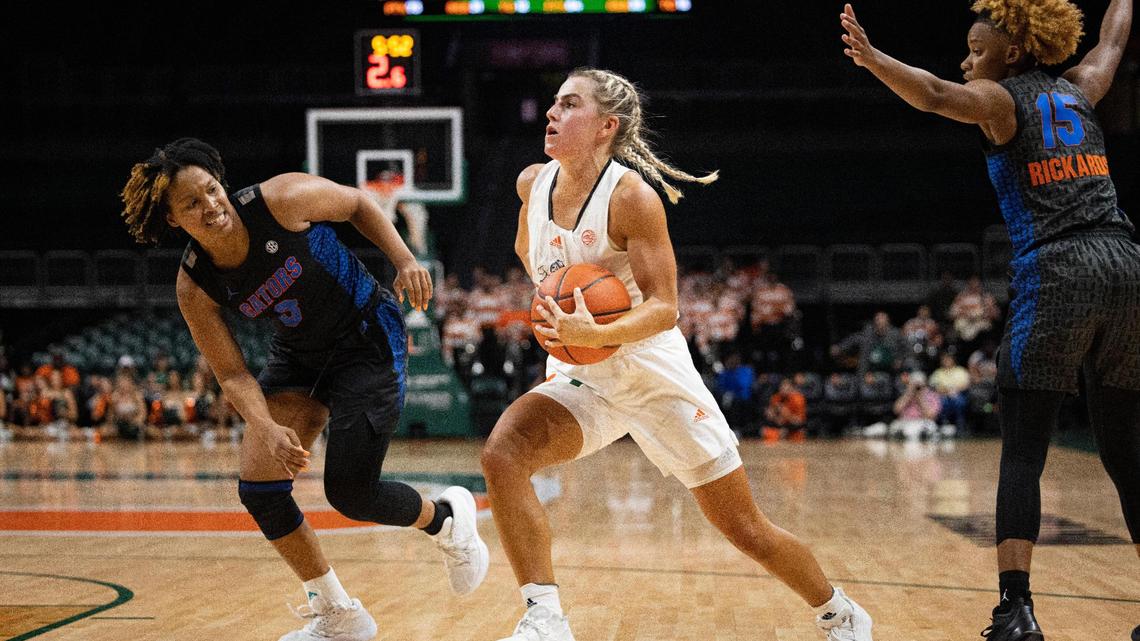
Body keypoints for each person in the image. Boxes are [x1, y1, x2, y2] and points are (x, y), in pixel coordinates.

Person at [481, 68, 872, 641]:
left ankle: (840, 612)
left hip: (650, 373)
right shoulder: (532, 185)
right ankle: (545, 617)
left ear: (606, 126)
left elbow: (666, 307)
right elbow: (530, 253)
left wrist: (594, 330)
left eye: (569, 104)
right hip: (585, 375)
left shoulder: (631, 198)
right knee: (503, 454)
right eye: (554, 103)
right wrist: (557, 306)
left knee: (744, 528)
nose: (551, 113)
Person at [841, 0, 1139, 637]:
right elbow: (1111, 43)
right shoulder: (1082, 89)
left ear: (1013, 52)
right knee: (1128, 453)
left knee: (1024, 452)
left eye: (978, 50)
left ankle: (1016, 609)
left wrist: (873, 59)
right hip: (1126, 265)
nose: (967, 60)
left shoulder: (1001, 100)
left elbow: (932, 94)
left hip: (1059, 267)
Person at [119, 138, 488, 641]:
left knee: (352, 494)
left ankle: (445, 519)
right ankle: (339, 613)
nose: (210, 205)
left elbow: (357, 204)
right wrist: (265, 427)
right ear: (172, 220)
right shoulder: (195, 285)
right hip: (299, 355)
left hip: (366, 337)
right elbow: (232, 375)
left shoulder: (280, 199)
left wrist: (404, 259)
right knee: (260, 488)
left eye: (211, 190)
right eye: (191, 204)